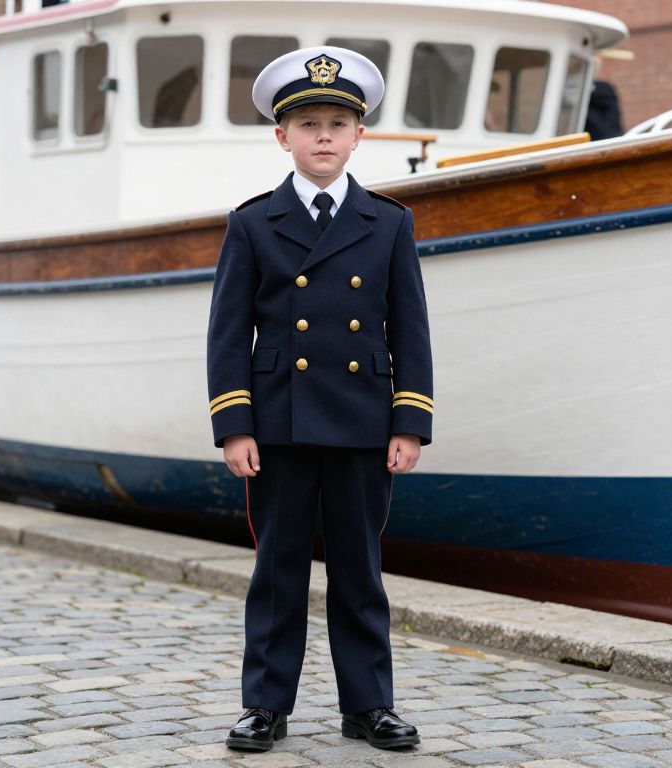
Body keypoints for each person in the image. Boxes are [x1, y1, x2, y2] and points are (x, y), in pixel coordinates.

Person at [206, 46, 433, 752]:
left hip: (363, 422)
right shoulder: (252, 223)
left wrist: (409, 421)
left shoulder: (388, 222)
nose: (324, 137)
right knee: (277, 571)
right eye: (309, 125)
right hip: (280, 423)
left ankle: (368, 705)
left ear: (359, 135)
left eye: (338, 124)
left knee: (360, 570)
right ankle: (265, 705)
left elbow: (410, 329)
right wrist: (235, 426)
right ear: (283, 138)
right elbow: (227, 333)